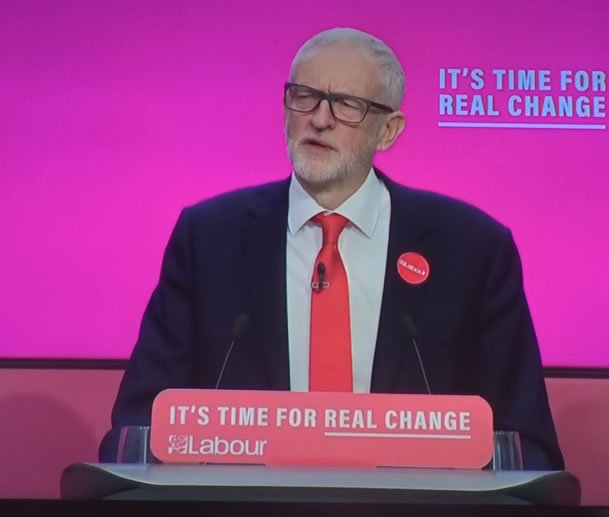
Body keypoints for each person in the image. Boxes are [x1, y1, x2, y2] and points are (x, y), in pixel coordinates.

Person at [99, 27, 564, 470]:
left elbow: (526, 445)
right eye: (305, 97)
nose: (320, 120)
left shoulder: (472, 249)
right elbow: (139, 428)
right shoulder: (208, 238)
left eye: (346, 105)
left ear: (388, 130)